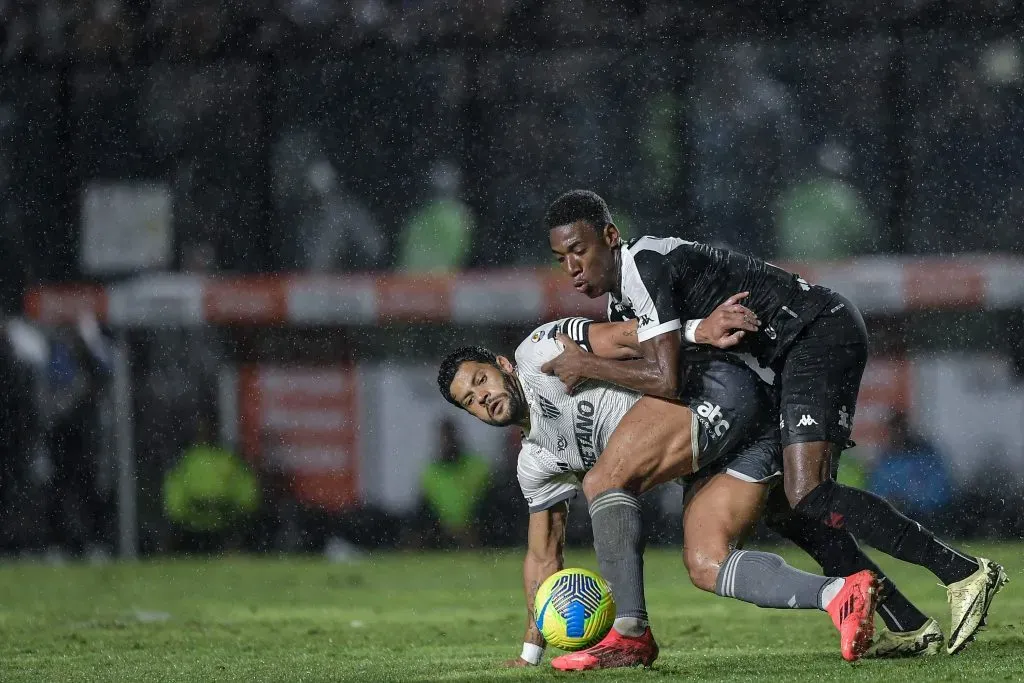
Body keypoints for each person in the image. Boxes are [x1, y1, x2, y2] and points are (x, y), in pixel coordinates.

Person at [540, 189, 1007, 655]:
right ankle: (908, 624)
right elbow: (675, 357)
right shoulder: (623, 303)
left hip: (817, 333)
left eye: (579, 250)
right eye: (562, 258)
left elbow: (666, 377)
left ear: (611, 236)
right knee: (792, 512)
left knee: (810, 492)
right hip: (788, 356)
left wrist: (587, 365)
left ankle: (963, 571)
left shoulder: (643, 265)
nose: (573, 268)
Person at [438, 317, 880, 670]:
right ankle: (841, 595)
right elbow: (543, 557)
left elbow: (625, 335)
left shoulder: (538, 352)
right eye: (470, 401)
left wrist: (697, 330)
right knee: (706, 565)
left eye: (481, 380)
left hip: (712, 394)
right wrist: (531, 651)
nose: (483, 398)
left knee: (603, 481)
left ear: (503, 365)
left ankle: (630, 633)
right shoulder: (536, 463)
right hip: (731, 450)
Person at [869, 413, 953, 531]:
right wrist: (891, 501)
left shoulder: (925, 456)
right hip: (896, 516)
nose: (897, 434)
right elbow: (876, 491)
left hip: (926, 516)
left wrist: (911, 502)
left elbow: (939, 491)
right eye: (894, 431)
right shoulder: (885, 459)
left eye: (901, 430)